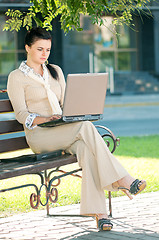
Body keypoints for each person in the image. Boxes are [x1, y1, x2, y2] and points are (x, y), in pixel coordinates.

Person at [7, 27, 146, 231]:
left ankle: (100, 214)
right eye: (39, 49)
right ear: (27, 48)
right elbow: (21, 114)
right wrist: (46, 118)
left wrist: (72, 112)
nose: (44, 54)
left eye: (48, 49)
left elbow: (65, 104)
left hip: (65, 130)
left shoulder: (56, 71)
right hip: (40, 136)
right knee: (86, 127)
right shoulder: (16, 77)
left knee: (86, 150)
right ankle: (122, 179)